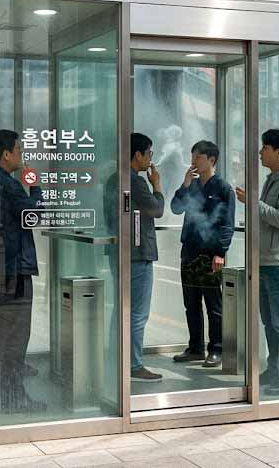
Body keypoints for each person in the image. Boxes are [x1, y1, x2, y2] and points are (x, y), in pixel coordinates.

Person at [237, 129, 279, 396]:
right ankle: (274, 370)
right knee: (269, 320)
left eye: (265, 148)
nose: (260, 153)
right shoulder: (273, 179)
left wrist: (252, 203)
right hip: (265, 259)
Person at [170, 140, 235, 368]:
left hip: (210, 254)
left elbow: (228, 224)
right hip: (189, 250)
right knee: (191, 304)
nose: (193, 161)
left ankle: (216, 349)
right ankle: (195, 347)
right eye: (192, 157)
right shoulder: (193, 186)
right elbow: (176, 208)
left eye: (198, 157)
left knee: (213, 305)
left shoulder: (223, 188)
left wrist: (220, 252)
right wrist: (185, 185)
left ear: (211, 160)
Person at [0, 129, 44, 412]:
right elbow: (34, 214)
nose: (22, 156)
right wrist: (35, 185)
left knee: (0, 336)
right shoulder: (10, 185)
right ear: (6, 154)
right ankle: (14, 399)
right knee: (16, 336)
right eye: (19, 151)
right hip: (15, 270)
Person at [112, 133, 166, 382]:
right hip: (138, 254)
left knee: (120, 310)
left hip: (120, 253)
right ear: (138, 155)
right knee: (136, 313)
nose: (150, 159)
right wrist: (157, 185)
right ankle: (133, 364)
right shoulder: (135, 182)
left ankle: (117, 359)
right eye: (149, 154)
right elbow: (156, 209)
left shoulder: (115, 178)